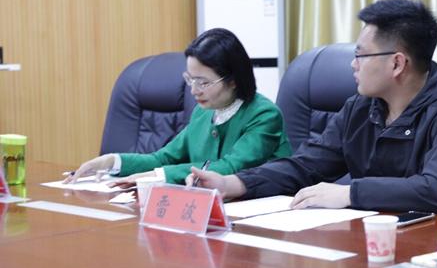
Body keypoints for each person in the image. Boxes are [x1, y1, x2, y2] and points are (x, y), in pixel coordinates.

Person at [191, 0, 437, 218]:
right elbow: (307, 165)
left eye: (360, 55)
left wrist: (350, 193)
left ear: (397, 63)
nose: (353, 65)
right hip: (383, 239)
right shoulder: (361, 108)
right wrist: (233, 183)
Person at [68, 28, 292, 186]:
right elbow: (163, 158)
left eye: (203, 82)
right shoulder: (203, 112)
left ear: (233, 80)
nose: (194, 90)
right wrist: (112, 161)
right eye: (190, 79)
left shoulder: (264, 115)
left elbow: (230, 167)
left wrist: (160, 176)